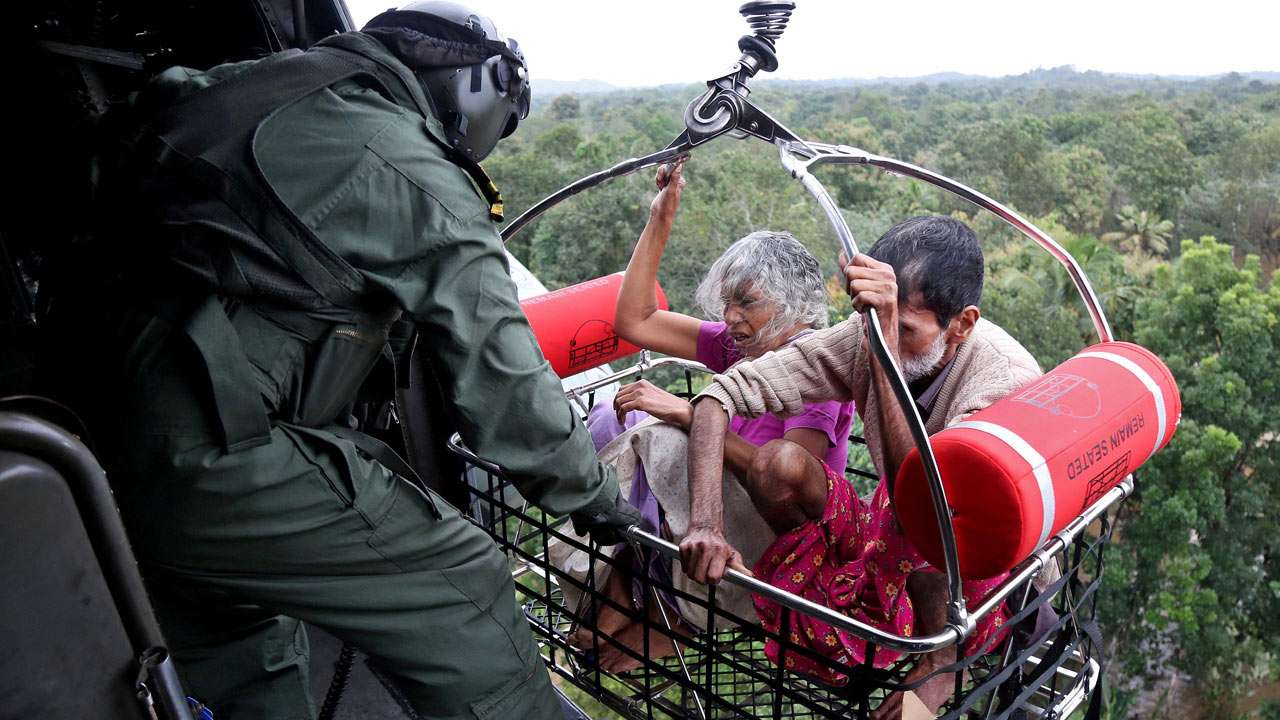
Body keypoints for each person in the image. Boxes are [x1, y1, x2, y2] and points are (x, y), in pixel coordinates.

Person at [59, 3, 638, 718]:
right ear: (486, 84)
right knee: (458, 586)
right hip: (212, 448)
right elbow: (506, 375)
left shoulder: (237, 87)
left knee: (244, 654)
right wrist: (594, 497)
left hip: (84, 434)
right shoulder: (410, 167)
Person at [680, 216, 1042, 714]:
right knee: (776, 464)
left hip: (973, 570)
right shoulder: (869, 333)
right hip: (894, 529)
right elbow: (717, 396)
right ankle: (833, 607)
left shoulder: (1003, 379)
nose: (879, 335)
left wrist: (884, 354)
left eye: (905, 329)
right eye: (872, 321)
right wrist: (706, 524)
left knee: (932, 520)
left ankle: (938, 664)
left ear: (962, 324)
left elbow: (930, 503)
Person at [569, 161, 855, 671]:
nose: (730, 318)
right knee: (615, 413)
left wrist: (685, 414)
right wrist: (661, 218)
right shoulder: (739, 349)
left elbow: (783, 477)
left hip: (764, 537)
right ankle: (634, 582)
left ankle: (670, 619)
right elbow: (634, 319)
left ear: (791, 305)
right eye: (727, 303)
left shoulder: (817, 370)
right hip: (702, 512)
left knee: (657, 433)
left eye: (747, 303)